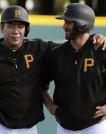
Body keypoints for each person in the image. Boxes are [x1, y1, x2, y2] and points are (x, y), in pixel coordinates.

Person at [0, 4, 105, 134]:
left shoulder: (38, 48)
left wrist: (96, 36)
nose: (16, 31)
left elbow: (77, 46)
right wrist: (50, 105)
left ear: (26, 29)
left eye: (20, 26)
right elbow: (43, 84)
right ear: (2, 27)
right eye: (11, 26)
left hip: (29, 127)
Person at [43, 3, 106, 134]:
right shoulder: (56, 54)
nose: (64, 26)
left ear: (83, 24)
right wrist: (50, 106)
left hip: (95, 126)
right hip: (64, 126)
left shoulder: (101, 50)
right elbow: (41, 84)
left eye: (69, 22)